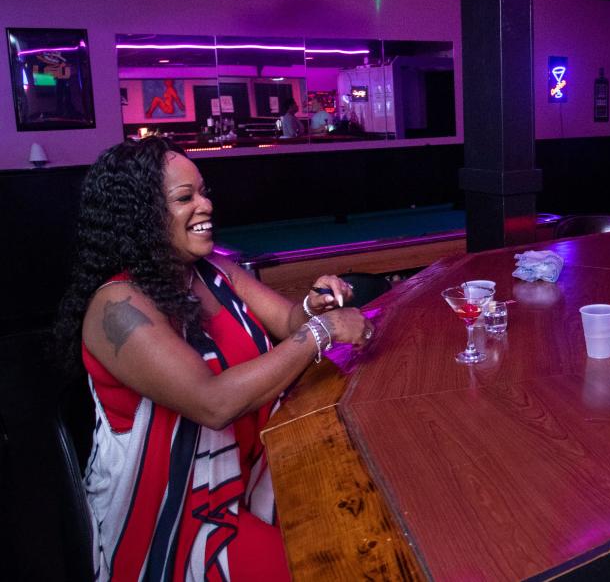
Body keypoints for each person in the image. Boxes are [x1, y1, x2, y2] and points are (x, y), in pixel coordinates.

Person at [55, 137, 373, 581]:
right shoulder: (117, 308)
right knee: (324, 565)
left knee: (359, 520)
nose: (205, 205)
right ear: (139, 214)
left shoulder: (215, 270)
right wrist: (323, 330)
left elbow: (285, 320)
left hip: (251, 474)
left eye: (204, 192)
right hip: (177, 514)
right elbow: (212, 402)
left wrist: (314, 306)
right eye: (185, 198)